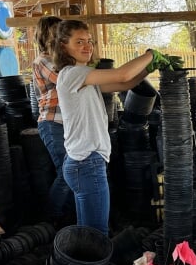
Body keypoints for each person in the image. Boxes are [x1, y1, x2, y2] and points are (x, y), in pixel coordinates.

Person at [53, 19, 169, 235]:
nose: (87, 46)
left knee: (88, 233)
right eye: (79, 42)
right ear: (63, 46)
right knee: (97, 233)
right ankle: (92, 258)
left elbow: (125, 83)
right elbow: (122, 74)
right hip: (87, 163)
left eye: (89, 41)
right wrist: (151, 55)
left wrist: (147, 69)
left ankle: (83, 257)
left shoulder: (82, 75)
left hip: (82, 162)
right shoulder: (72, 74)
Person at [31, 15, 76, 227]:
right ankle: (51, 219)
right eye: (57, 31)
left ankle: (68, 219)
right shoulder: (43, 60)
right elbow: (66, 80)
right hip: (53, 122)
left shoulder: (64, 62)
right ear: (45, 35)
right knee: (66, 172)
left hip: (68, 123)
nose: (61, 36)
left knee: (73, 171)